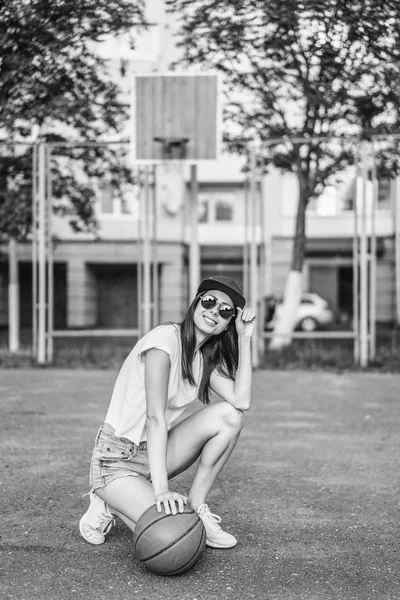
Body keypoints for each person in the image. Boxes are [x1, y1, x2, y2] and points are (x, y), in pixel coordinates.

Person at [79, 275, 256, 549]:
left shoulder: (203, 358)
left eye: (225, 311)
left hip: (151, 454)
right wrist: (162, 490)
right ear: (195, 302)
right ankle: (107, 499)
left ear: (226, 324)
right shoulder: (165, 339)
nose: (214, 311)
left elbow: (241, 400)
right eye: (209, 301)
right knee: (172, 537)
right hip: (115, 460)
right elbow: (155, 417)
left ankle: (196, 505)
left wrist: (244, 338)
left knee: (230, 416)